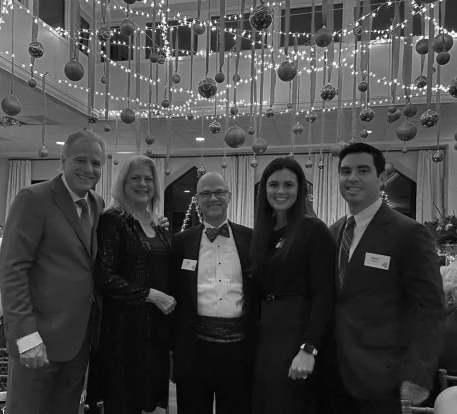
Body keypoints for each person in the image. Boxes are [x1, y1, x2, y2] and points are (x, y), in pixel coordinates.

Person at [330, 142, 445, 414]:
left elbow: (429, 307)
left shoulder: (409, 233)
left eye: (363, 170)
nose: (352, 178)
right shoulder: (334, 231)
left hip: (383, 378)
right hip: (333, 375)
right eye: (345, 171)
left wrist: (418, 374)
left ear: (381, 178)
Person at [0, 129, 106, 414]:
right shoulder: (34, 198)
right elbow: (12, 269)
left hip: (79, 342)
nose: (89, 169)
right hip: (38, 341)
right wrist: (25, 336)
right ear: (63, 160)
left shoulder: (96, 204)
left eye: (96, 163)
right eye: (80, 160)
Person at [250, 157, 336, 413]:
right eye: (273, 184)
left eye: (288, 184)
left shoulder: (313, 229)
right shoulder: (263, 232)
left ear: (300, 189)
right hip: (267, 333)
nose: (280, 191)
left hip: (296, 332)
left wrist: (308, 348)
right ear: (264, 189)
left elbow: (324, 294)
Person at [92, 155, 176, 414]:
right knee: (124, 401)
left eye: (148, 179)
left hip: (156, 329)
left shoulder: (156, 223)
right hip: (124, 332)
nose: (143, 184)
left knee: (149, 402)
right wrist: (150, 295)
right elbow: (104, 276)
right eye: (135, 178)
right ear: (123, 183)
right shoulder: (113, 220)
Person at [170, 172, 258, 414]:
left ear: (229, 196)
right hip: (194, 350)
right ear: (197, 199)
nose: (213, 198)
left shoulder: (251, 239)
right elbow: (175, 293)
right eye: (206, 193)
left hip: (239, 351)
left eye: (219, 192)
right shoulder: (181, 242)